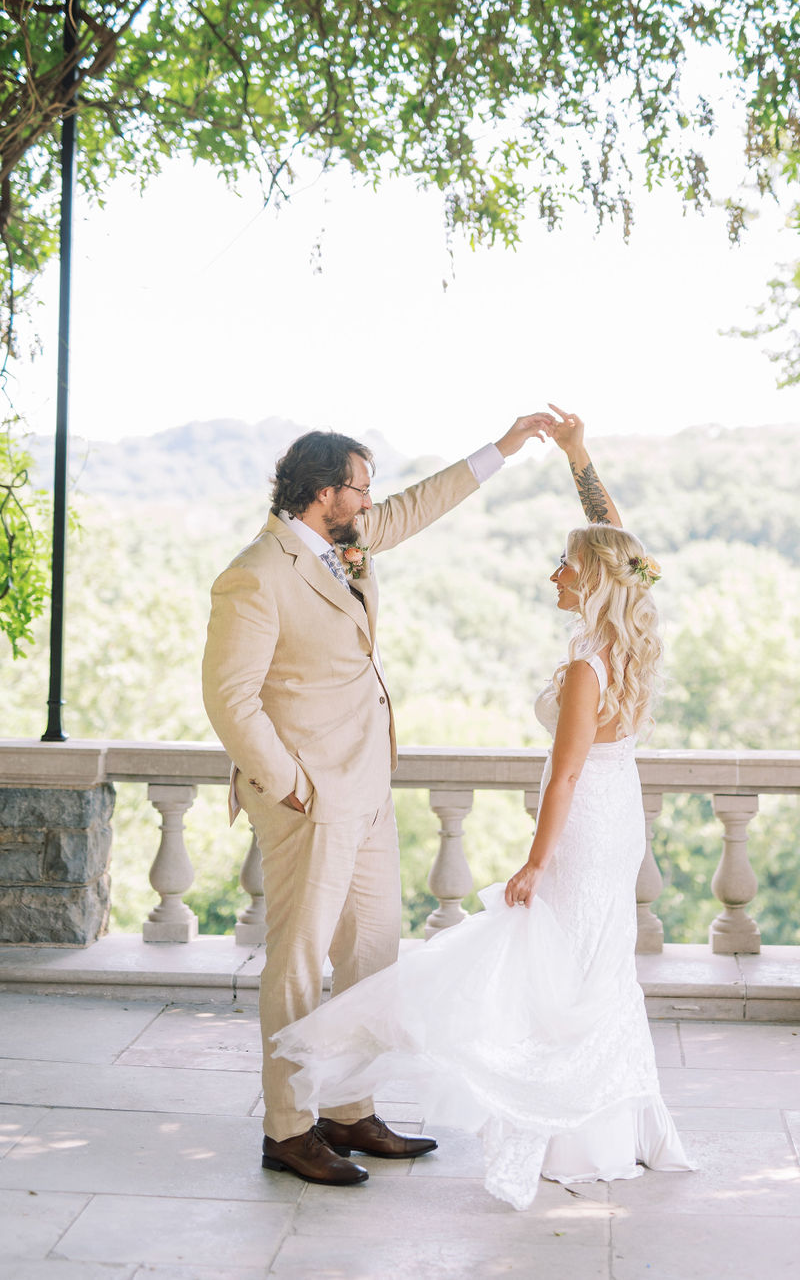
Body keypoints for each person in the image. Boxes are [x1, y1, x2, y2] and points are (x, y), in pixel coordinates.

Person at [272, 406, 693, 1208]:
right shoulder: (633, 634)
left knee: (551, 967)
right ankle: (612, 1126)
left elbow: (563, 777)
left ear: (590, 581)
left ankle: (553, 1120)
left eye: (564, 568)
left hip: (584, 818)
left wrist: (534, 861)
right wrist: (576, 459)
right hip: (620, 814)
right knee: (594, 965)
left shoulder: (584, 668)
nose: (553, 576)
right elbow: (622, 549)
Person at [202, 415, 555, 1186]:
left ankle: (347, 1107)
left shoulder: (343, 544)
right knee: (297, 962)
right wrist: (291, 783)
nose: (372, 499)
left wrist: (506, 444)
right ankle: (289, 1128)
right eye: (362, 487)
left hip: (366, 786)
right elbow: (230, 698)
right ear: (327, 492)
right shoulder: (256, 573)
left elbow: (419, 505)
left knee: (373, 952)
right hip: (308, 798)